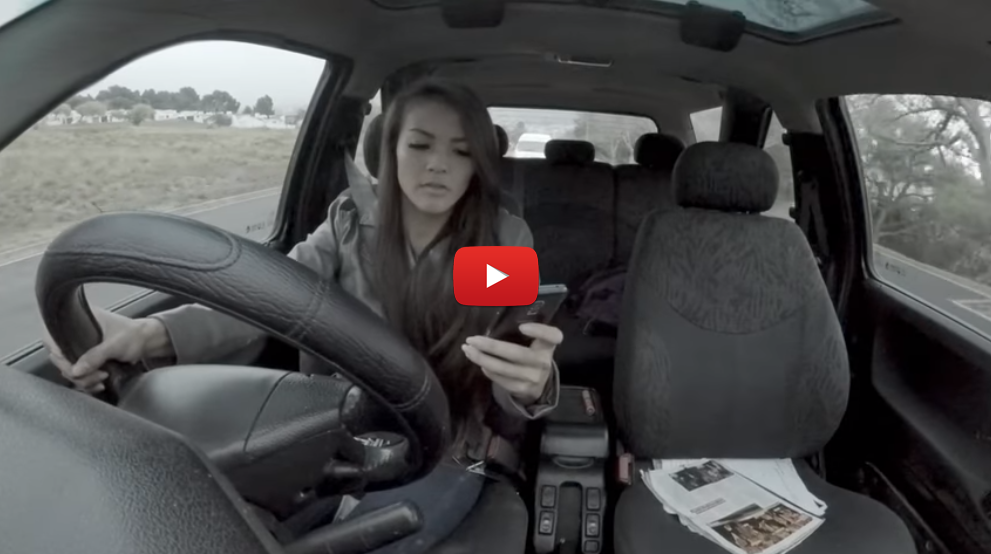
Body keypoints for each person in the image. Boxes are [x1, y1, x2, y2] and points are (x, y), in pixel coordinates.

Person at [44, 78, 564, 553]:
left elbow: (503, 354)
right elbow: (266, 297)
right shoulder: (348, 224)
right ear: (389, 150)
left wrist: (530, 386)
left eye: (461, 151)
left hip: (443, 443)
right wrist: (150, 332)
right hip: (333, 426)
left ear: (479, 163)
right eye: (420, 145)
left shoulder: (499, 241)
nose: (438, 165)